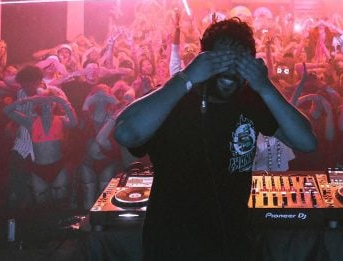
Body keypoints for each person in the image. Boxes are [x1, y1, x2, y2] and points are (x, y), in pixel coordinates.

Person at [114, 17, 316, 260]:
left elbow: (306, 142)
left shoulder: (250, 100)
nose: (230, 70)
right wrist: (187, 76)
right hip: (172, 245)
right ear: (205, 60)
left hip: (231, 242)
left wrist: (265, 86)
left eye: (239, 62)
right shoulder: (172, 98)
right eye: (222, 59)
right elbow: (126, 133)